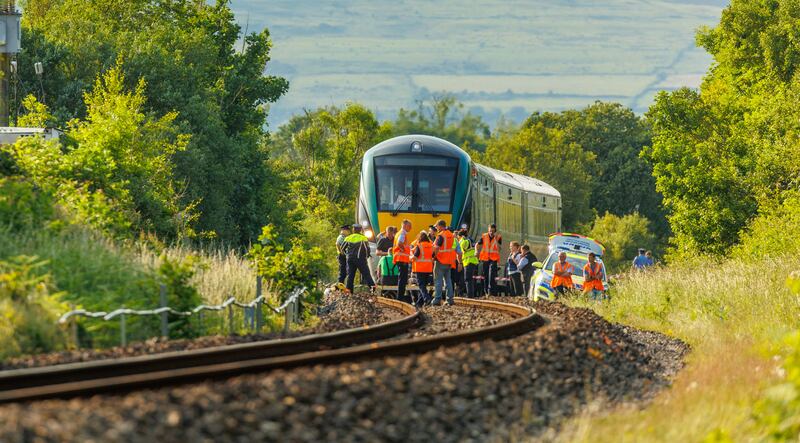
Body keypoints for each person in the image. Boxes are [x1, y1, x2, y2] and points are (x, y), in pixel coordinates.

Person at [431, 220, 460, 305]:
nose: (436, 228)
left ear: (440, 226)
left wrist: (433, 257)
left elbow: (436, 248)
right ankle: (450, 299)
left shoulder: (441, 236)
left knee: (438, 281)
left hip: (440, 261)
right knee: (448, 281)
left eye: (437, 227)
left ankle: (437, 299)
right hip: (449, 262)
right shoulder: (451, 235)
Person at [344, 224, 375, 293]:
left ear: (353, 230)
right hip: (360, 259)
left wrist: (347, 255)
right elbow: (367, 249)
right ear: (360, 230)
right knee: (366, 274)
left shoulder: (348, 238)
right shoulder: (363, 238)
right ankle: (373, 289)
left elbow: (343, 248)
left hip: (350, 259)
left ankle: (349, 291)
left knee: (350, 275)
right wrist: (366, 256)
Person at [477, 224, 502, 295]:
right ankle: (486, 291)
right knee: (485, 275)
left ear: (495, 231)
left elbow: (499, 248)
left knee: (491, 274)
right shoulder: (484, 236)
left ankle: (491, 291)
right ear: (488, 230)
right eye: (490, 231)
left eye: (493, 231)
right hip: (485, 258)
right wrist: (476, 250)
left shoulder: (498, 237)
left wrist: (495, 239)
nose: (491, 232)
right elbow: (477, 244)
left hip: (493, 259)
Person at [411, 231, 434, 306]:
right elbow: (433, 255)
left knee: (421, 285)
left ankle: (427, 299)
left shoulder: (419, 245)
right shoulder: (431, 245)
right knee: (424, 285)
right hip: (428, 268)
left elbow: (415, 257)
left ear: (420, 238)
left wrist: (410, 257)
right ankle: (419, 303)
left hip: (420, 268)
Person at [393, 219, 413, 303]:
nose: (411, 228)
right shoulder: (402, 233)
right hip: (402, 259)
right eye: (409, 226)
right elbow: (399, 243)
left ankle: (400, 297)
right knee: (402, 279)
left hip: (399, 259)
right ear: (404, 226)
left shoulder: (398, 233)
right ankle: (400, 298)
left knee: (402, 278)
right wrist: (404, 249)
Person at [458, 229, 479, 298]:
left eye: (459, 237)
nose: (458, 238)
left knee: (467, 279)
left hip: (468, 261)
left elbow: (460, 251)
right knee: (470, 279)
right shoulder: (471, 240)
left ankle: (470, 296)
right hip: (473, 261)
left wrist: (461, 240)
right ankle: (471, 295)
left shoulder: (464, 241)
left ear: (461, 236)